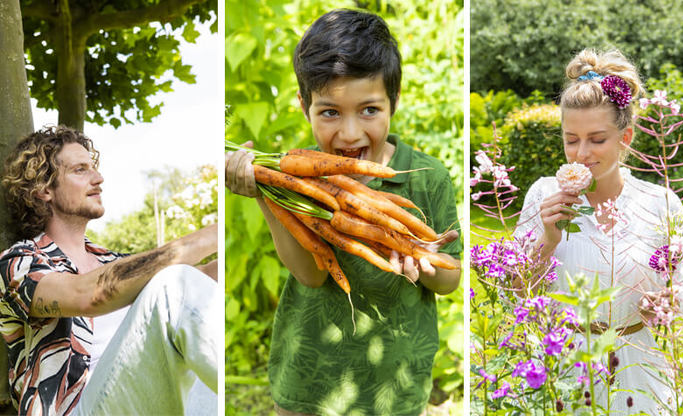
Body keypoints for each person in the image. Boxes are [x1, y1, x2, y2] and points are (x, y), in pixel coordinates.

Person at [226, 9, 462, 415]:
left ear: (394, 101)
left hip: (396, 386)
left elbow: (450, 278)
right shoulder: (300, 182)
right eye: (330, 112)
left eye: (369, 110)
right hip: (310, 383)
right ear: (305, 107)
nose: (350, 134)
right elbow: (312, 274)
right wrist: (265, 190)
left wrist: (428, 263)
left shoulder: (428, 179)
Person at [514, 49, 683, 414]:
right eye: (571, 139)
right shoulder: (543, 195)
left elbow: (680, 291)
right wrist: (548, 240)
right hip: (563, 367)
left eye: (597, 139)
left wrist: (663, 305)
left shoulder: (661, 203)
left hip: (638, 366)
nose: (581, 154)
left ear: (625, 137)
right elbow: (515, 293)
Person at [0, 126, 218, 415]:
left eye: (94, 168)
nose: (98, 178)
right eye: (80, 170)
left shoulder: (113, 261)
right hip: (76, 410)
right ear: (44, 190)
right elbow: (88, 294)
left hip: (143, 399)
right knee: (171, 284)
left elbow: (198, 289)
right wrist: (210, 236)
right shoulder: (18, 262)